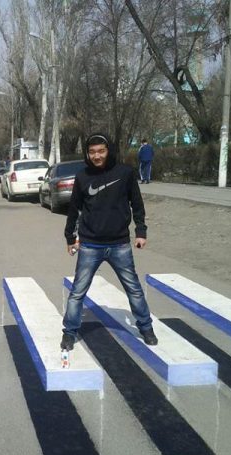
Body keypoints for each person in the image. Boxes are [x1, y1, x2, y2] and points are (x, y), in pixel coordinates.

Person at [61, 133, 158, 350]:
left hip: (119, 244)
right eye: (92, 152)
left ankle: (146, 327)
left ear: (109, 151)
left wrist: (140, 232)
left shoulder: (125, 173)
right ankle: (69, 332)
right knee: (78, 291)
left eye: (101, 151)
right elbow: (74, 209)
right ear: (88, 153)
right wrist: (70, 237)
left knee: (133, 289)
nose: (97, 156)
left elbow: (137, 204)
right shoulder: (82, 176)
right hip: (90, 245)